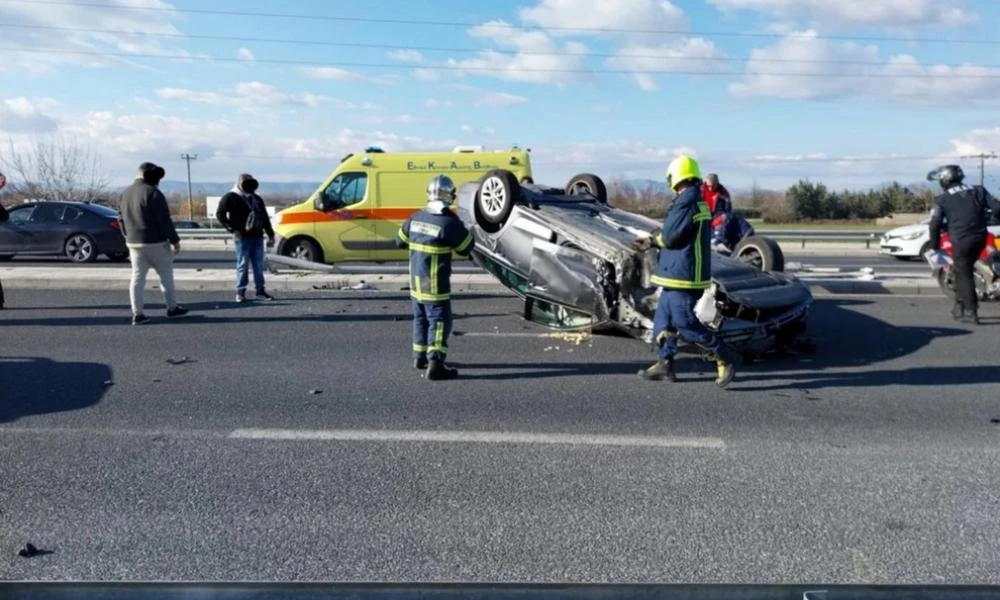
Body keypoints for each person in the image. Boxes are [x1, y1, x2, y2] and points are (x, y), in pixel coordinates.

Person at [638, 155, 737, 388]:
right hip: (679, 273)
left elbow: (671, 237)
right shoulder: (696, 200)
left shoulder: (686, 202)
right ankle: (665, 363)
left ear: (675, 176)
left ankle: (725, 355)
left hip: (683, 275)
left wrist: (651, 241)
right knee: (664, 319)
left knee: (684, 322)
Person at [396, 175, 475, 381]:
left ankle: (419, 357)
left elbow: (399, 241)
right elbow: (467, 247)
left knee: (420, 318)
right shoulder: (448, 222)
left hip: (416, 283)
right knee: (440, 321)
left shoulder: (416, 217)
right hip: (434, 283)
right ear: (450, 196)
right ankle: (436, 363)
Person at [928, 164, 1000, 324]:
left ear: (945, 180)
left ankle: (971, 310)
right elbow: (997, 208)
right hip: (981, 237)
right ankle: (958, 306)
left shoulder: (942, 199)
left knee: (964, 272)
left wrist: (934, 246)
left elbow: (934, 224)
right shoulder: (979, 190)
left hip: (961, 239)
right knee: (963, 269)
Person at [119, 162, 188, 325]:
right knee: (166, 276)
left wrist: (127, 236)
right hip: (156, 242)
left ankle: (138, 313)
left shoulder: (124, 194)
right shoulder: (154, 193)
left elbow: (120, 219)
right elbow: (164, 220)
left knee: (137, 278)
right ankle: (172, 308)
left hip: (134, 243)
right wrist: (175, 240)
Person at [216, 173, 276, 303]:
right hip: (242, 237)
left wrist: (270, 233)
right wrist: (232, 229)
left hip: (257, 236)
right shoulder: (231, 197)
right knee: (243, 265)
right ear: (239, 183)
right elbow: (220, 214)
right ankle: (240, 291)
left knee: (258, 265)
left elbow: (264, 217)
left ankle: (260, 290)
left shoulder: (256, 198)